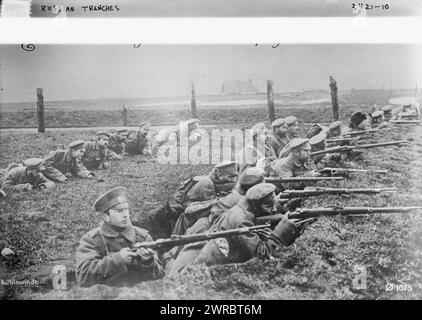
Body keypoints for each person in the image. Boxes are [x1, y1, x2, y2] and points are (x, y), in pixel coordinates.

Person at [166, 183, 301, 275]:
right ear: (254, 205)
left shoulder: (240, 210)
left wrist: (279, 215)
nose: (273, 209)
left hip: (202, 260)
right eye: (269, 206)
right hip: (202, 274)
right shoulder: (240, 221)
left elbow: (256, 220)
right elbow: (262, 255)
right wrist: (282, 231)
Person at [75, 187, 164, 287]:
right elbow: (83, 277)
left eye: (126, 209)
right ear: (106, 216)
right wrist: (118, 260)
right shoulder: (93, 240)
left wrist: (149, 263)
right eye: (119, 211)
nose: (126, 215)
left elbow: (160, 276)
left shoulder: (142, 237)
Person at [142, 161, 239, 239]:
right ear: (219, 174)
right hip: (189, 219)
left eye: (235, 176)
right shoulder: (206, 184)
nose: (234, 180)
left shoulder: (208, 181)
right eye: (231, 176)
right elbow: (201, 209)